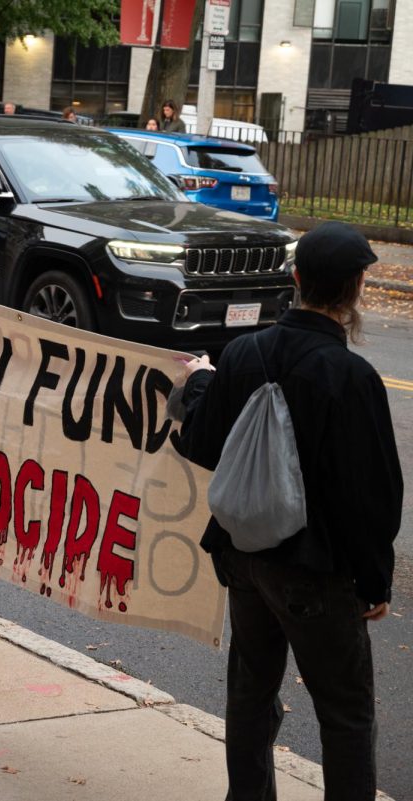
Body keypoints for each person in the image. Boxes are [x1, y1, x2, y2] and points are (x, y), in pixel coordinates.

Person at [173, 222, 401, 801]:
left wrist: (201, 383)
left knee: (250, 693)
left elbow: (200, 444)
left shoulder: (244, 354)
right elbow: (370, 495)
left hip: (243, 558)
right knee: (345, 713)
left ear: (295, 279)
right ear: (355, 291)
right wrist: (374, 580)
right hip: (315, 570)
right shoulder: (351, 377)